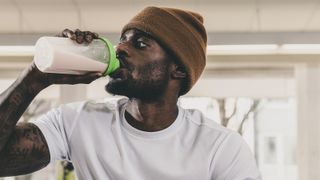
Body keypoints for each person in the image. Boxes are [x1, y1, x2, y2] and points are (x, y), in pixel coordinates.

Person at [0, 6, 261, 180]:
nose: (120, 49)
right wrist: (35, 77)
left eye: (140, 43)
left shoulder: (220, 146)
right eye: (122, 40)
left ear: (178, 70)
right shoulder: (76, 121)